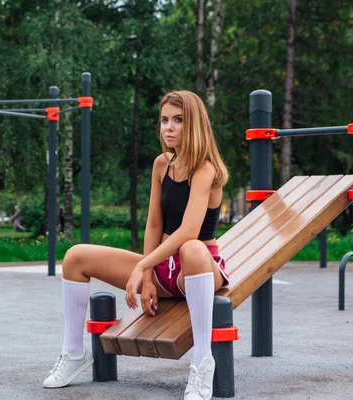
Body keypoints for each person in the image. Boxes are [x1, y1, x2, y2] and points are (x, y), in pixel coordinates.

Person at [42, 90, 229, 400]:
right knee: (75, 257)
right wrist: (150, 275)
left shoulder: (206, 169)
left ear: (194, 124)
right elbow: (154, 223)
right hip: (161, 269)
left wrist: (143, 267)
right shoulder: (161, 164)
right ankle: (73, 353)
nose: (169, 127)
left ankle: (202, 363)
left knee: (191, 248)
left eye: (178, 120)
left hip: (198, 267)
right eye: (164, 120)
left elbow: (188, 231)